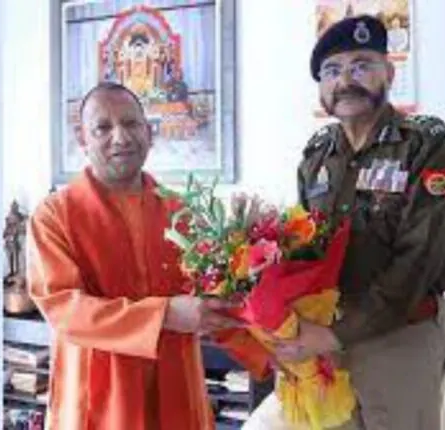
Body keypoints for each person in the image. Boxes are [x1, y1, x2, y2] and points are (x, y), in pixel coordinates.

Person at [246, 15, 445, 430]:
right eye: (332, 71)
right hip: (325, 337)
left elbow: (419, 259)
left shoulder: (426, 145)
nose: (345, 80)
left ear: (389, 72)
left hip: (399, 338)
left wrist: (332, 335)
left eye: (361, 65)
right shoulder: (317, 154)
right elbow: (306, 253)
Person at [26, 82, 272, 429]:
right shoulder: (54, 216)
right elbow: (65, 311)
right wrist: (164, 316)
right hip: (100, 401)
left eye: (131, 123)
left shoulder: (180, 211)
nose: (121, 137)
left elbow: (214, 299)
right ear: (83, 139)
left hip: (176, 391)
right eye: (103, 128)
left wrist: (273, 354)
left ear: (149, 132)